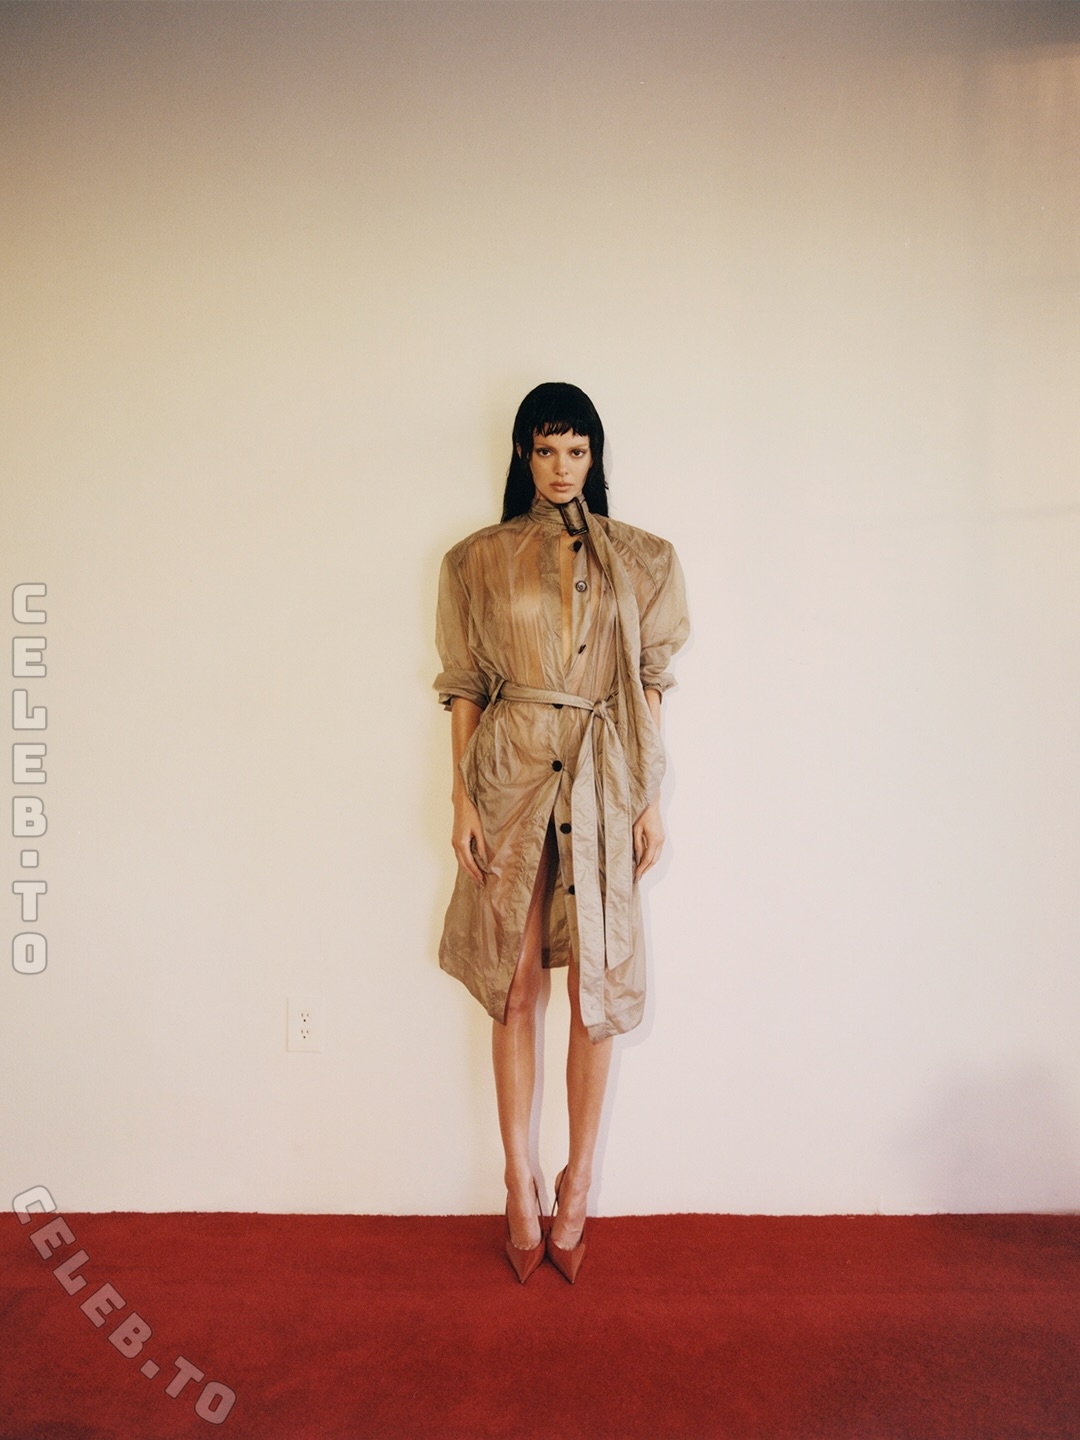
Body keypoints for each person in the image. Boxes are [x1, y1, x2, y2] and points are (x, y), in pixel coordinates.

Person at [434, 382, 689, 1283]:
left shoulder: (643, 558)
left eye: (576, 450)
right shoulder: (475, 560)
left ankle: (578, 1182)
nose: (560, 467)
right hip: (509, 776)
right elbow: (464, 686)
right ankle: (518, 1177)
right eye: (545, 450)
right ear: (522, 454)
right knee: (512, 983)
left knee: (595, 980)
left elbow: (649, 684)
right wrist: (461, 800)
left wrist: (648, 798)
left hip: (604, 774)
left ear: (595, 455)